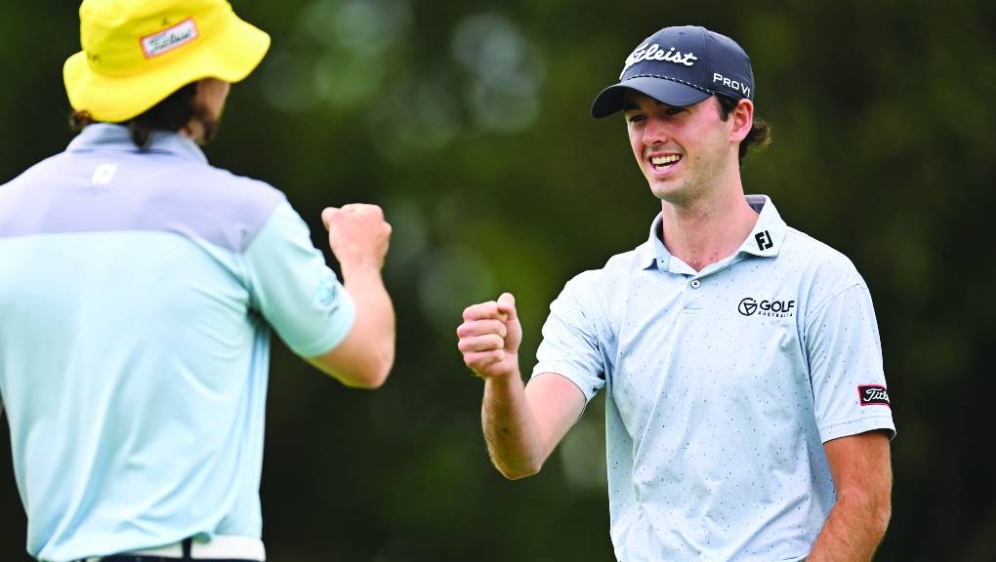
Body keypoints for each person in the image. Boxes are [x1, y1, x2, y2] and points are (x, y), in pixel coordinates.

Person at [457, 24, 895, 561]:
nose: (651, 135)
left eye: (675, 112)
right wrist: (502, 377)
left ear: (739, 119)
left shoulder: (822, 282)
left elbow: (866, 500)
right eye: (638, 118)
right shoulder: (599, 297)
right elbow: (521, 455)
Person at [0, 0, 396, 561]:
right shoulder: (243, 215)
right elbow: (369, 356)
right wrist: (359, 260)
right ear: (201, 83)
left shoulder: (6, 217)